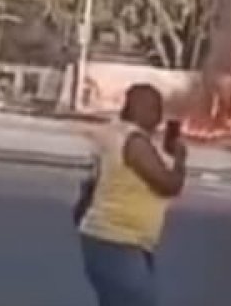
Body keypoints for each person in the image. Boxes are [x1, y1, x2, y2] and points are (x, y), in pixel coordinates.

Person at [76, 83, 187, 306]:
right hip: (120, 240)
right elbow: (169, 185)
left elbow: (94, 181)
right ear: (138, 108)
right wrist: (180, 159)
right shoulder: (134, 141)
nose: (159, 117)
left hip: (105, 237)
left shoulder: (112, 132)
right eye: (155, 109)